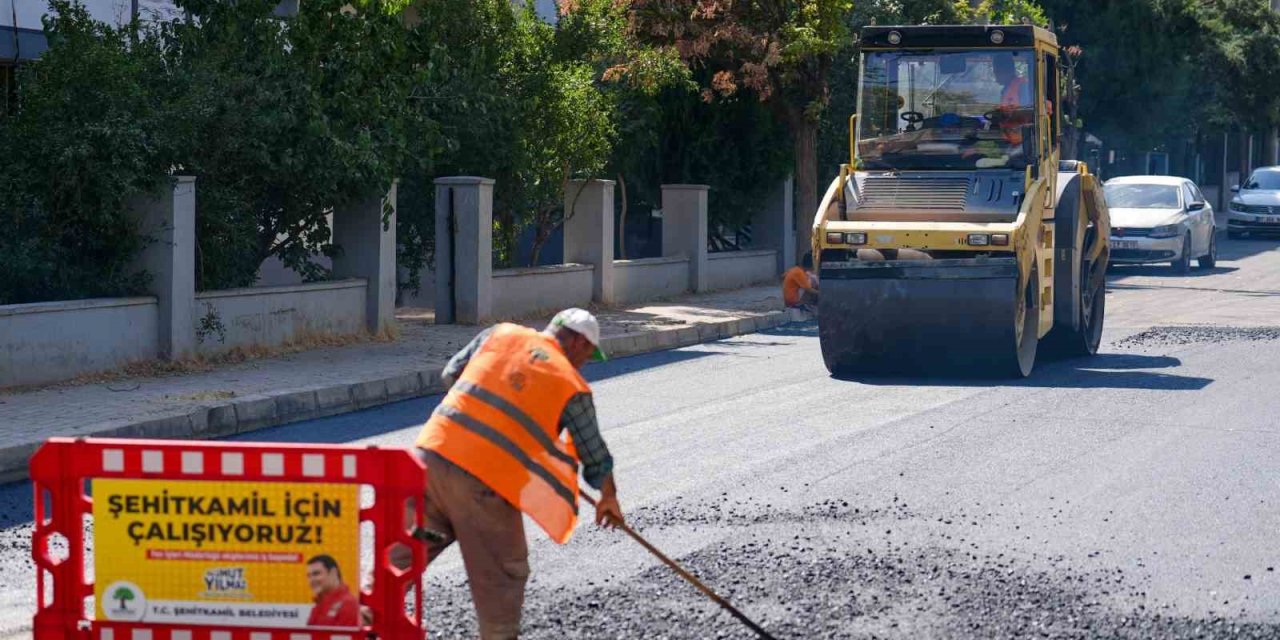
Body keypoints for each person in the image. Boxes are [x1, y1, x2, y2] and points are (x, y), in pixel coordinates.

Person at [404, 307, 623, 639]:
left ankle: (351, 620)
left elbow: (452, 375)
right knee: (503, 575)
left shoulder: (501, 334)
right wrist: (609, 498)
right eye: (589, 354)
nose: (586, 362)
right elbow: (594, 455)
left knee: (399, 559)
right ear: (578, 342)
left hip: (429, 460)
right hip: (485, 484)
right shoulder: (569, 383)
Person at [305, 555, 360, 627]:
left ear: (333, 572)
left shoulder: (349, 604)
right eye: (309, 576)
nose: (311, 580)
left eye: (316, 574)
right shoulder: (319, 605)